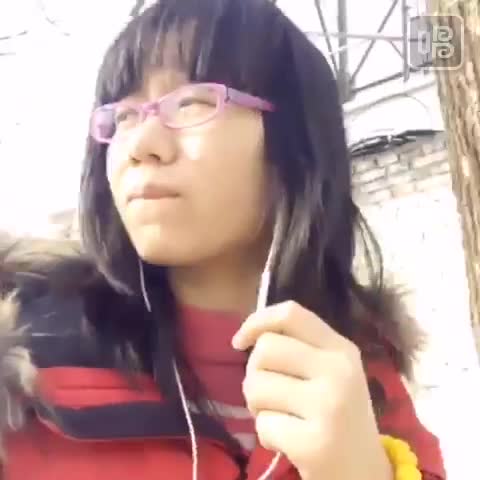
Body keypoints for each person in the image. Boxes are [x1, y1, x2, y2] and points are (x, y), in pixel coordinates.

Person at [0, 0, 445, 479]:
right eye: (124, 115)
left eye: (191, 102)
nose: (141, 145)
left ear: (295, 144)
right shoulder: (22, 379)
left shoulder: (360, 374)